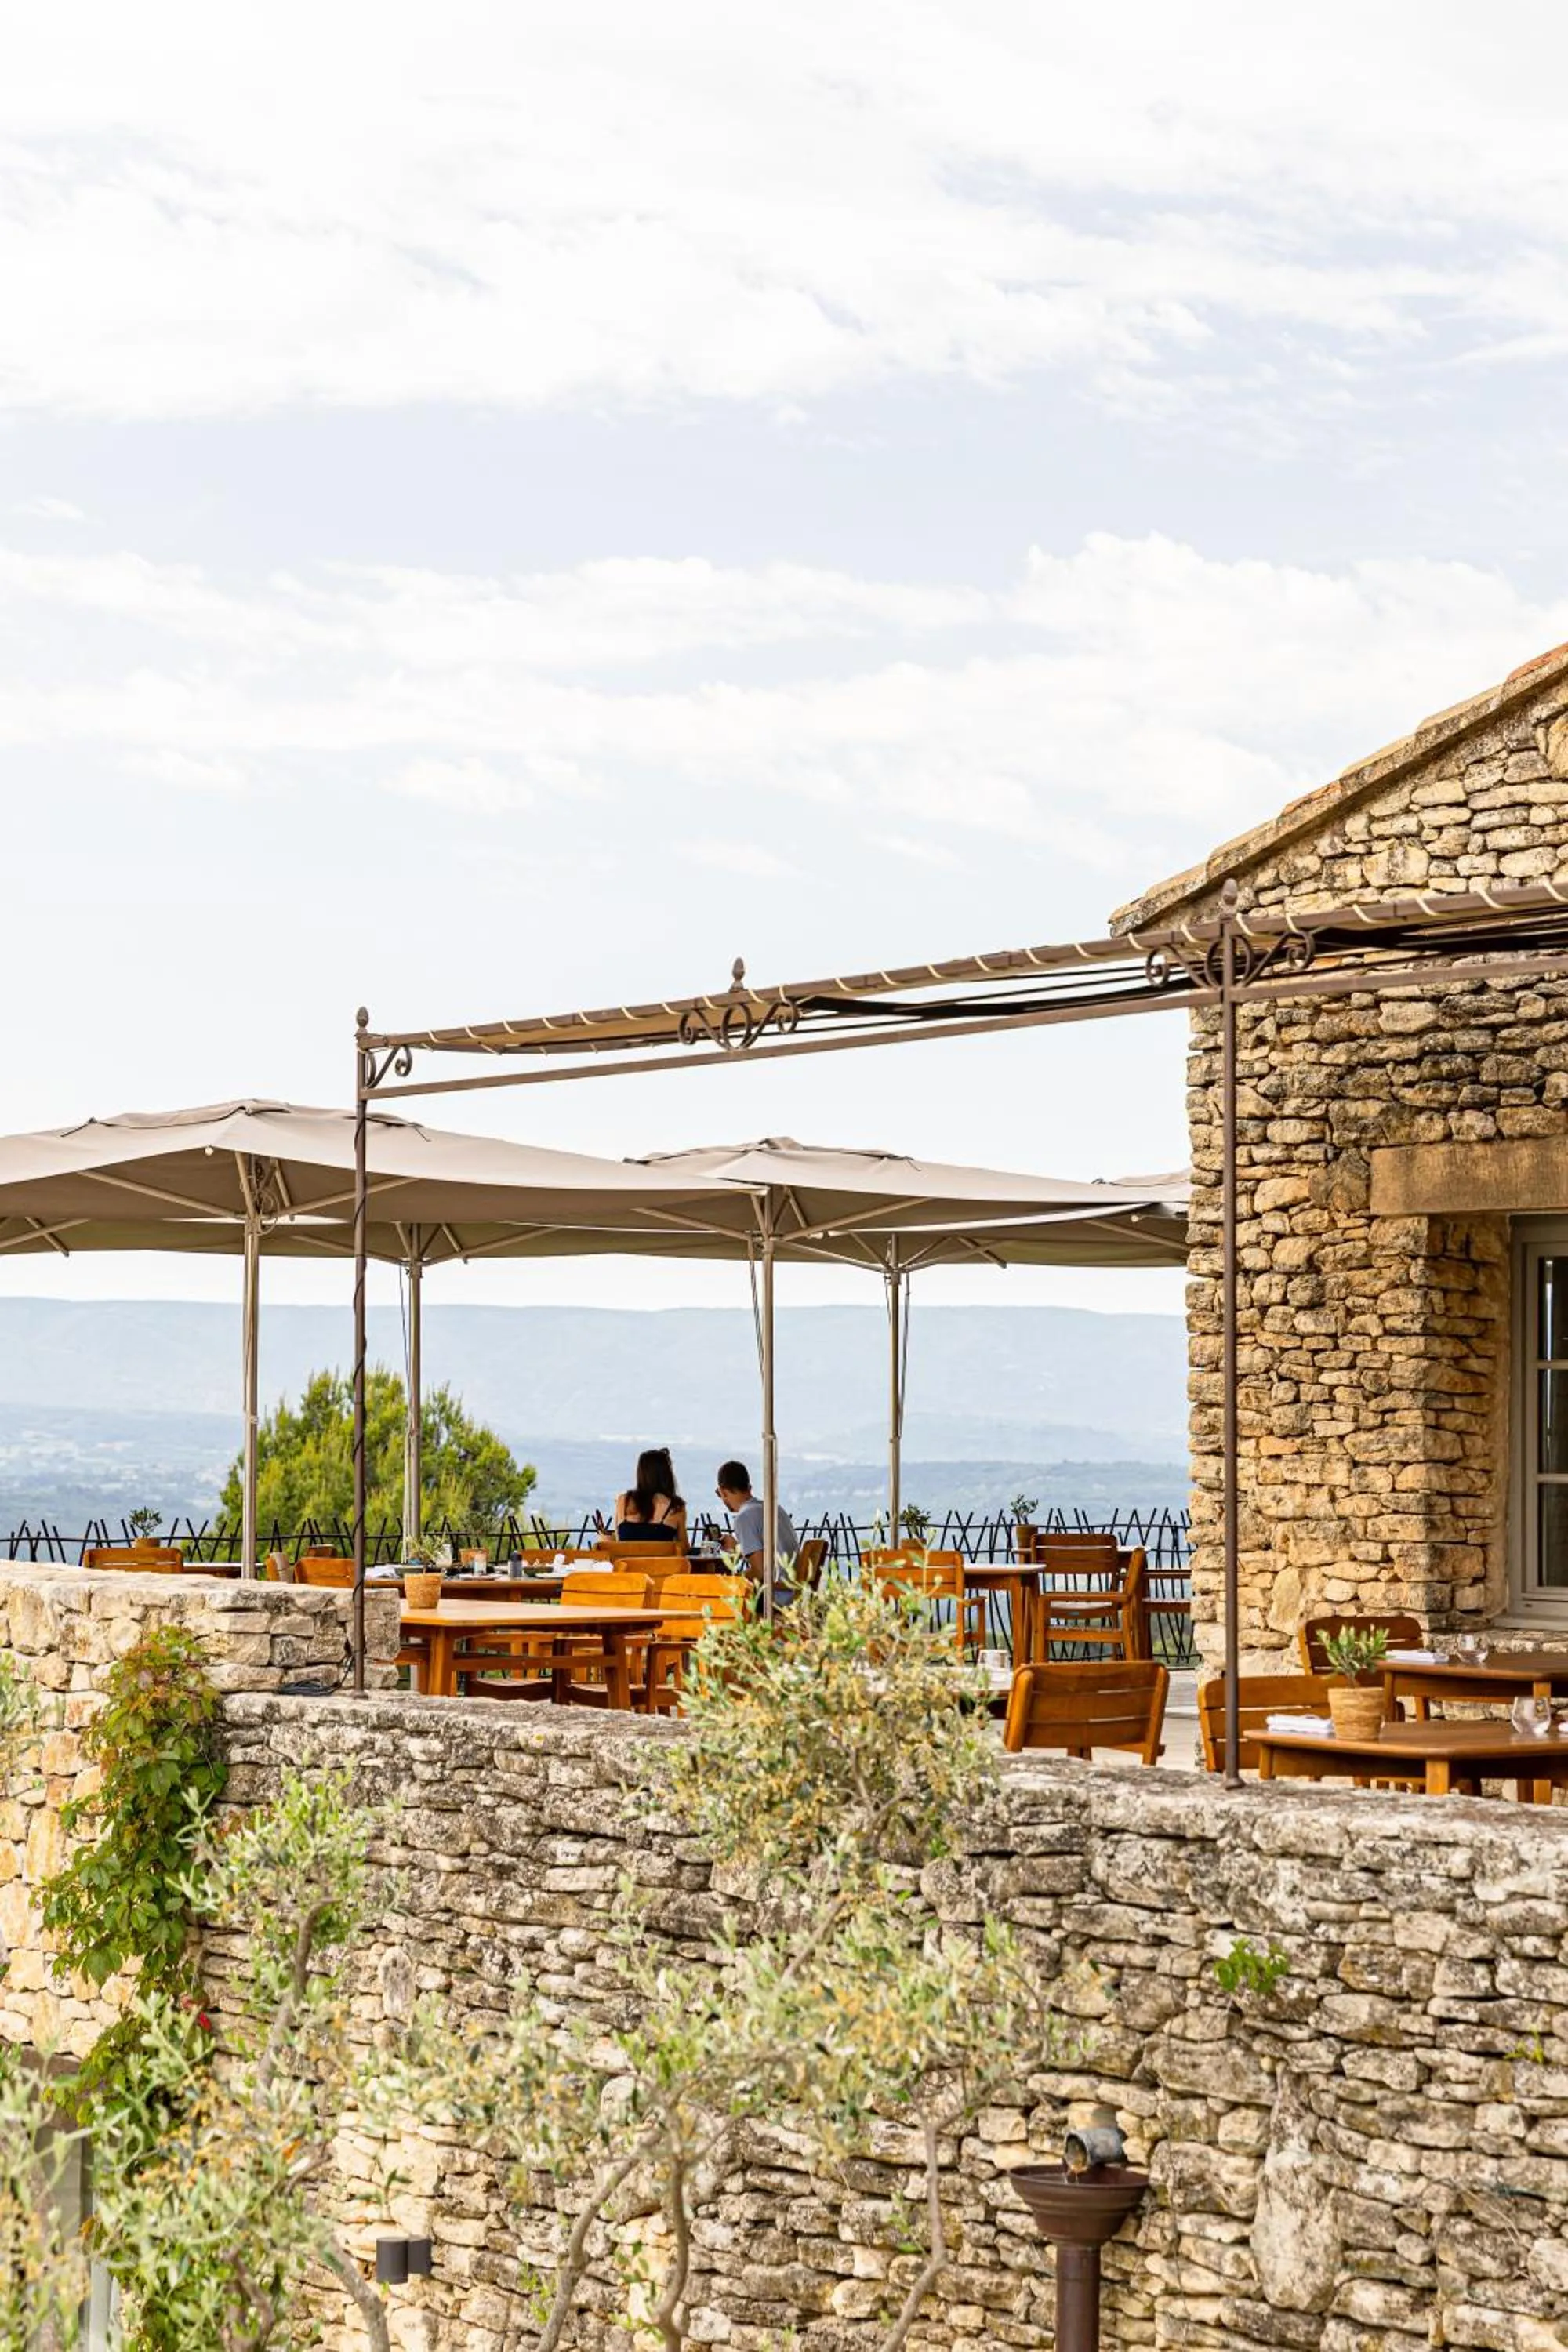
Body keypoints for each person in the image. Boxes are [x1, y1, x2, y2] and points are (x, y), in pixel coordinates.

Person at [715, 1459, 797, 1589]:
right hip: (793, 1591)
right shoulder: (772, 1508)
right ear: (749, 1487)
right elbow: (767, 1558)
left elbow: (760, 1572)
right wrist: (738, 1549)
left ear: (723, 1492)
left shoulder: (744, 1517)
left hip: (775, 1595)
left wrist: (732, 1581)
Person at [613, 1448, 688, 1548]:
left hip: (628, 1564)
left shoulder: (623, 1501)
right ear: (666, 1475)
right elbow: (683, 1547)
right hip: (663, 1564)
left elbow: (618, 1542)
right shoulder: (676, 1507)